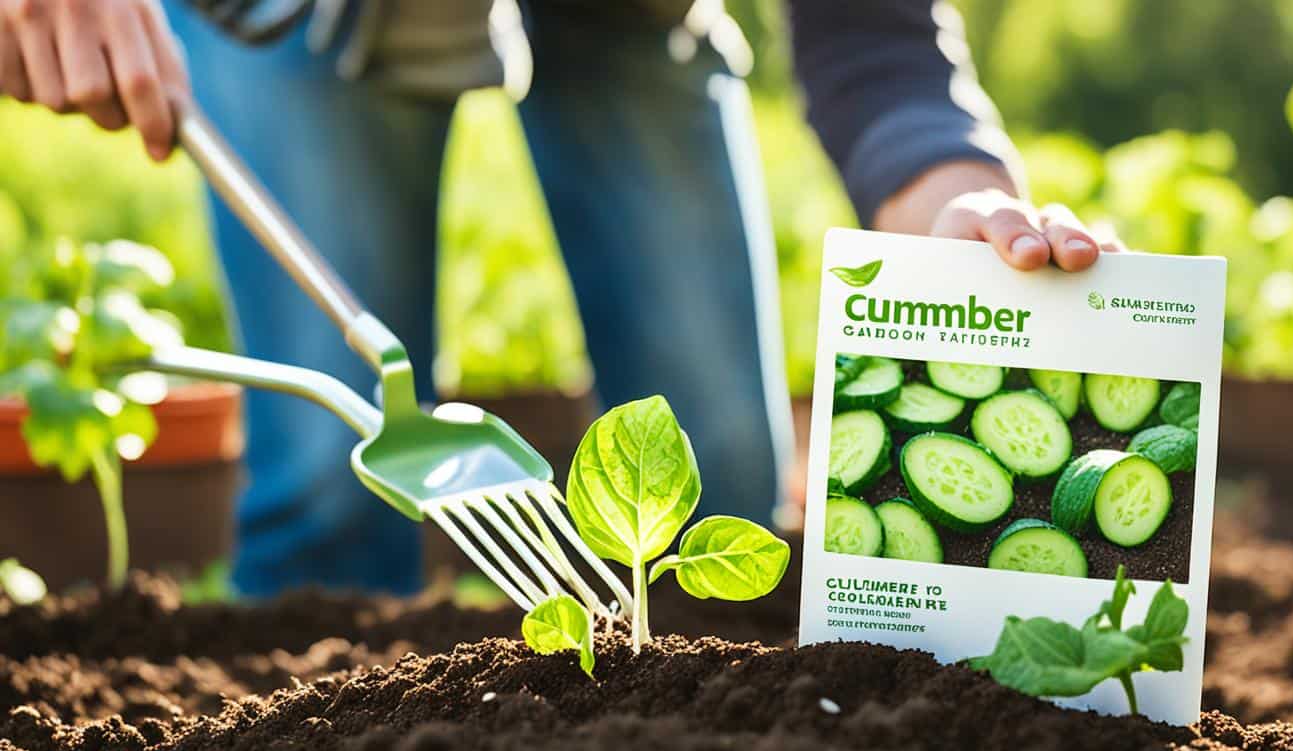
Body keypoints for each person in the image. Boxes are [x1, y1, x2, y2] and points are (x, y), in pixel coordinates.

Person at [0, 0, 1119, 597]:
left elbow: (873, 40)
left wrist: (968, 214)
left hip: (624, 12)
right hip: (307, 13)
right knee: (331, 506)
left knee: (715, 490)